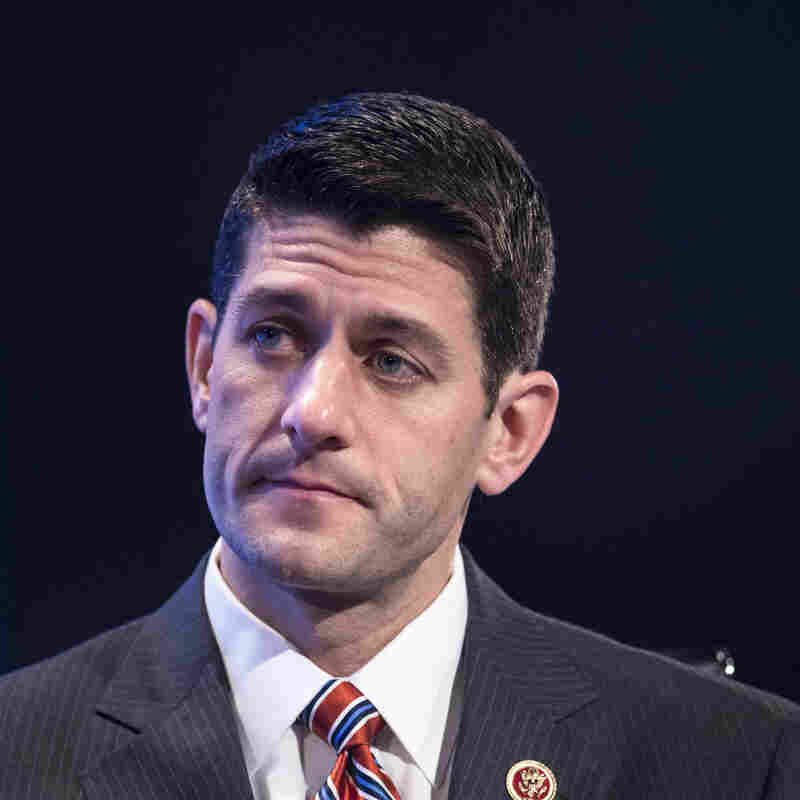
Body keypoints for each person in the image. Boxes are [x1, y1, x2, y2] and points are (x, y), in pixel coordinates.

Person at [1, 92, 797, 799]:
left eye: (392, 361)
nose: (313, 413)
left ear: (509, 432)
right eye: (274, 335)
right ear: (205, 366)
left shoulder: (734, 764)